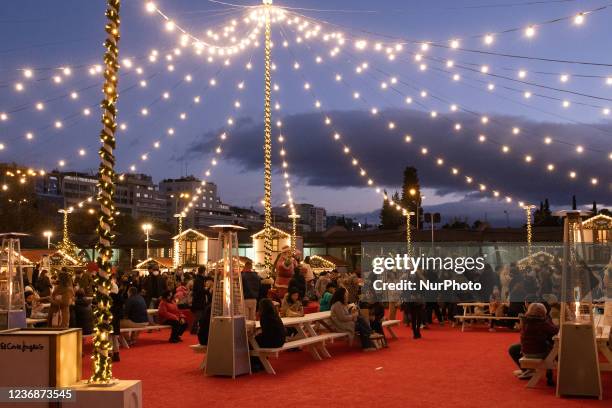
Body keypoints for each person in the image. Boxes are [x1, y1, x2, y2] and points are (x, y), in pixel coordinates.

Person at [508, 303, 558, 385]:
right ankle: (549, 377)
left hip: (525, 351)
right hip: (539, 352)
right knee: (552, 349)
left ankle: (527, 370)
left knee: (512, 349)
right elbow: (555, 330)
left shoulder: (525, 321)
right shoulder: (542, 323)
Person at [329, 287, 376, 351]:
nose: (347, 296)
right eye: (346, 294)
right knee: (361, 326)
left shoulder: (341, 304)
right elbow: (342, 318)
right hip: (340, 325)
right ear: (342, 295)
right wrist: (353, 316)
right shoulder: (337, 305)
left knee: (360, 319)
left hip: (345, 323)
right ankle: (368, 341)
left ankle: (368, 342)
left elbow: (346, 316)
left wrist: (354, 315)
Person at [191, 266, 210, 334]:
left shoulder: (199, 278)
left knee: (200, 316)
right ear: (203, 271)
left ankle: (196, 329)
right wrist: (206, 289)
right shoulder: (199, 280)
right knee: (198, 316)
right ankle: (194, 329)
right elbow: (200, 291)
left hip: (199, 300)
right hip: (199, 301)